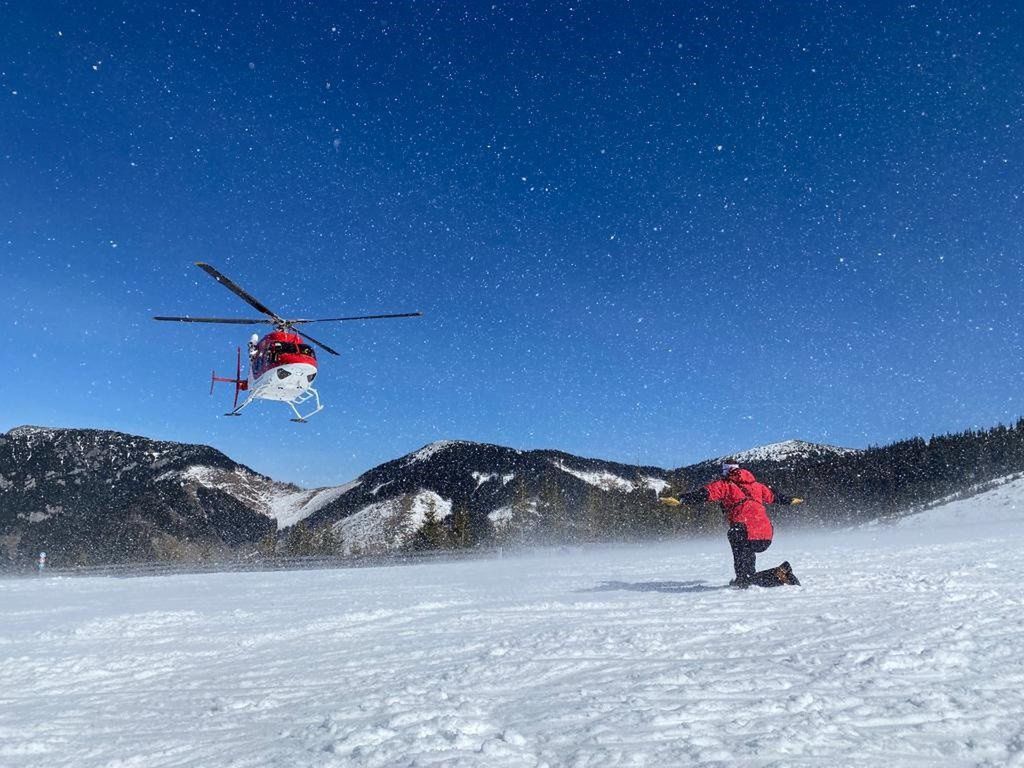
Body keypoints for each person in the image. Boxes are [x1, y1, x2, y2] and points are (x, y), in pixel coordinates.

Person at [659, 462, 805, 588]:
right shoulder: (757, 486)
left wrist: (681, 499)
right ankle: (751, 577)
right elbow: (776, 496)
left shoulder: (725, 485)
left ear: (727, 471)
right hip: (766, 533)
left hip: (743, 531)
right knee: (747, 555)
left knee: (744, 575)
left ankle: (777, 575)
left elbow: (704, 494)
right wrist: (791, 500)